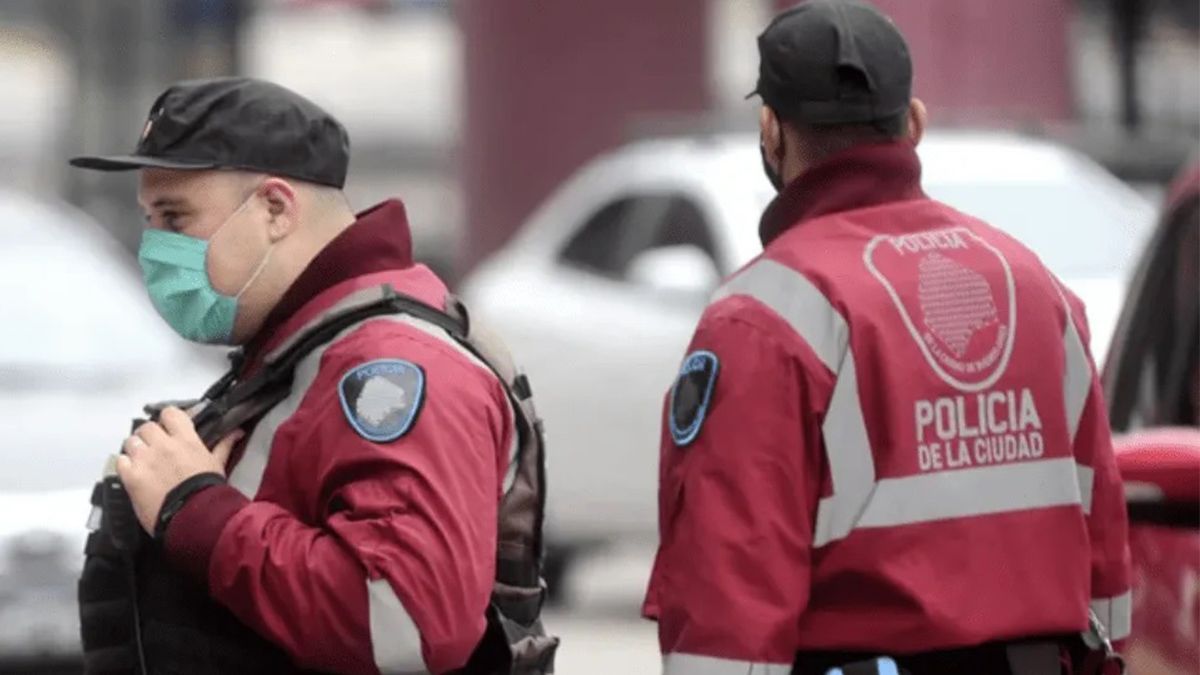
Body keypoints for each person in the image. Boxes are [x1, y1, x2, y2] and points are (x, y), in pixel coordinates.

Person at [642, 2, 1132, 674]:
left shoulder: (761, 320)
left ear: (771, 132)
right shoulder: (1037, 290)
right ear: (914, 125)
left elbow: (727, 608)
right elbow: (1104, 555)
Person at [70, 77, 556, 675]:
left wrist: (195, 509)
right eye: (149, 220)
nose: (155, 250)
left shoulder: (391, 367)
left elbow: (403, 622)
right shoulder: (300, 349)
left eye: (176, 219)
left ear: (275, 209)